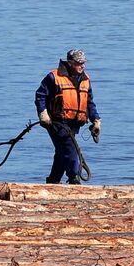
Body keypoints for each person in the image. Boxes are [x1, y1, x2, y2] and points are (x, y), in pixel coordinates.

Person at [35, 49, 101, 184]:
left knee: (62, 152)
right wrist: (43, 113)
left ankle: (53, 182)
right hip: (56, 122)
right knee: (71, 149)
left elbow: (89, 102)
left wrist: (96, 120)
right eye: (79, 63)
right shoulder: (54, 77)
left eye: (84, 63)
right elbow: (40, 96)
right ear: (70, 63)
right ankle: (74, 179)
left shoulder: (85, 79)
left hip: (74, 122)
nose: (82, 66)